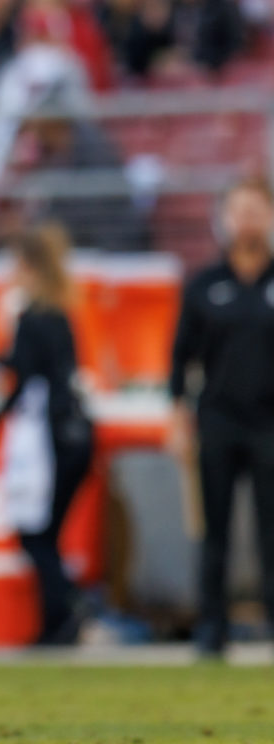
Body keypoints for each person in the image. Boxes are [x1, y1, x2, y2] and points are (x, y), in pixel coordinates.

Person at [168, 177, 274, 656]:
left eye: (256, 209)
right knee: (216, 529)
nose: (247, 219)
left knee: (271, 527)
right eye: (239, 210)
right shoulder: (204, 285)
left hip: (270, 423)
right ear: (224, 219)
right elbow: (179, 358)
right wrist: (176, 416)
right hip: (218, 420)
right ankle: (214, 625)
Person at [0, 223, 93, 646]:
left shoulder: (31, 315)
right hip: (75, 432)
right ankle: (60, 617)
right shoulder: (61, 312)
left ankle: (65, 613)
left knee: (36, 534)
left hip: (51, 439)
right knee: (46, 535)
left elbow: (26, 376)